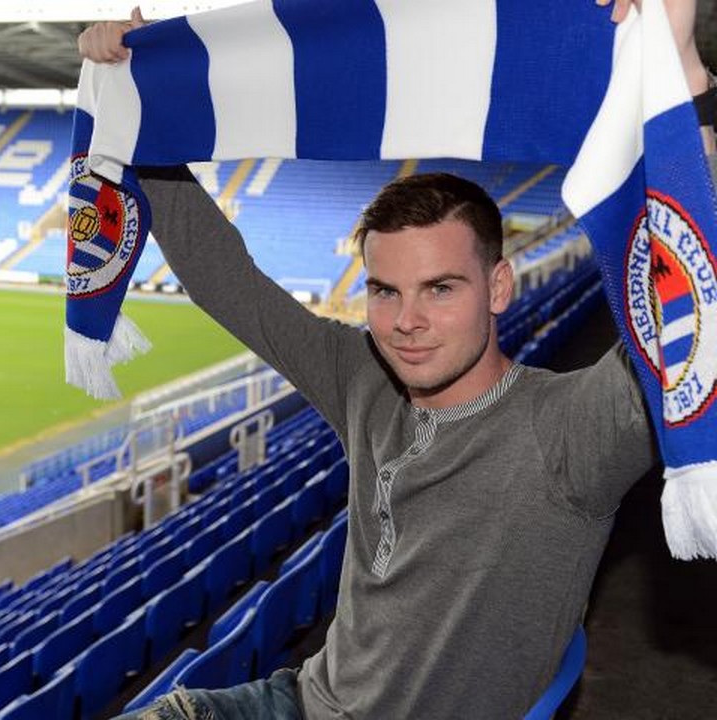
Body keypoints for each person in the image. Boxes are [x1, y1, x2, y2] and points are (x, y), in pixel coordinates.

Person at [79, 1, 717, 717]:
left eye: (440, 289)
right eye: (384, 290)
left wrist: (680, 76)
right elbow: (221, 278)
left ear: (498, 286)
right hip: (295, 698)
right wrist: (136, 103)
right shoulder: (361, 377)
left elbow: (690, 302)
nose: (406, 322)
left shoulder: (569, 433)